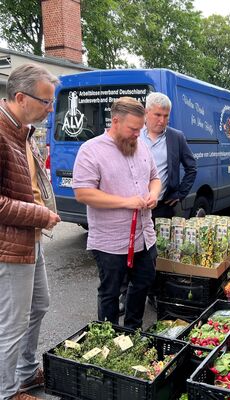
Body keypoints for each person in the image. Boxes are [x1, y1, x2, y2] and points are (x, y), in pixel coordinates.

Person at [72, 97, 161, 330]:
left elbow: (155, 178)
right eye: (133, 129)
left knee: (142, 284)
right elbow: (83, 193)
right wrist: (126, 202)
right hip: (110, 242)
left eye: (140, 129)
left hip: (144, 236)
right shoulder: (91, 150)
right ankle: (108, 338)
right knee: (110, 293)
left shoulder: (140, 146)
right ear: (115, 121)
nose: (137, 135)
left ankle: (132, 332)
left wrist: (153, 193)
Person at [0, 63, 61, 400]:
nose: (50, 109)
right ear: (21, 97)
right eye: (46, 102)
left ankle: (25, 374)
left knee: (39, 306)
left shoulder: (22, 130)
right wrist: (39, 214)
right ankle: (7, 392)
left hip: (30, 240)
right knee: (12, 323)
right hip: (9, 246)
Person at [142, 92, 197, 219]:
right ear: (146, 112)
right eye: (157, 115)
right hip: (135, 206)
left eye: (166, 116)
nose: (162, 121)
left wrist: (180, 193)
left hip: (163, 207)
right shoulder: (135, 135)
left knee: (161, 239)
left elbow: (192, 168)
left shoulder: (176, 137)